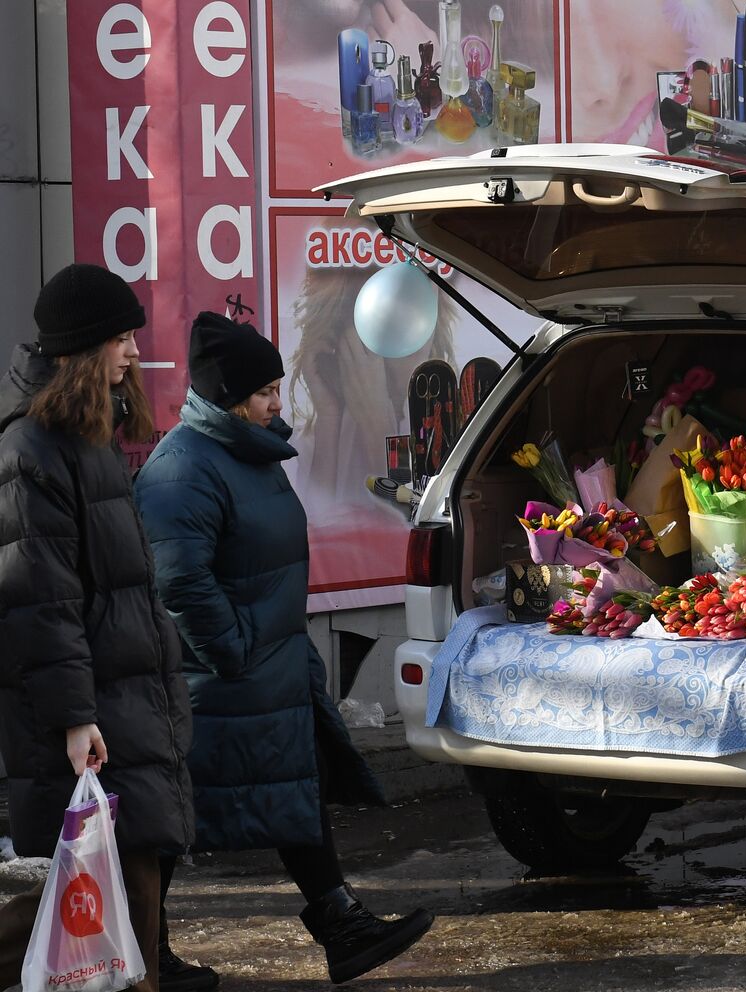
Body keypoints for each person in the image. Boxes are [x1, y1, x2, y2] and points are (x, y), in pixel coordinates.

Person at [133, 312, 433, 989]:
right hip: (221, 683)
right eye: (265, 390)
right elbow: (177, 575)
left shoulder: (247, 451)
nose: (277, 402)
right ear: (229, 393)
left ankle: (340, 924)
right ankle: (145, 955)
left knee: (290, 792)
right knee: (174, 819)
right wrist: (235, 652)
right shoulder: (181, 467)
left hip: (266, 674)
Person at [0, 263, 196, 992]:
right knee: (102, 895)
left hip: (126, 702)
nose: (133, 353)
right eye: (118, 338)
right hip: (91, 712)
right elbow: (40, 603)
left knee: (121, 890)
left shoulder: (88, 436)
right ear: (79, 351)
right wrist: (75, 717)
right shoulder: (33, 450)